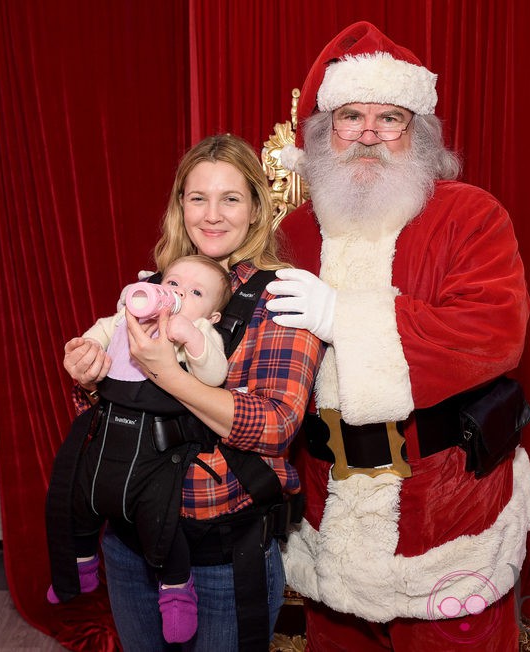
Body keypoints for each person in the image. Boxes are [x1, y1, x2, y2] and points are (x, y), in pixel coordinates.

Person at [264, 21, 530, 650]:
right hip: (326, 509)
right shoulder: (295, 233)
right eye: (350, 116)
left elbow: (494, 332)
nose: (367, 135)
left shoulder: (471, 215)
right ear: (322, 133)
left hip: (445, 514)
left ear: (418, 134)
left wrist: (343, 317)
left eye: (389, 118)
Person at [59, 133, 325, 651]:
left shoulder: (282, 296)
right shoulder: (159, 285)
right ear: (181, 206)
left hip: (223, 557)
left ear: (255, 209)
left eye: (230, 198)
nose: (212, 214)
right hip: (131, 544)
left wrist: (168, 373)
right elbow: (118, 407)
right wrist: (89, 375)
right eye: (197, 197)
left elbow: (274, 426)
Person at [46, 254, 233, 644]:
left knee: (159, 519)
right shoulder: (128, 317)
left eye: (195, 292)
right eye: (175, 283)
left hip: (154, 444)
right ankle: (78, 565)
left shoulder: (199, 330)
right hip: (112, 427)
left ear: (212, 315)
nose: (179, 294)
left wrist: (192, 338)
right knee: (78, 497)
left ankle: (177, 592)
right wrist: (87, 350)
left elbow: (215, 374)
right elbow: (98, 332)